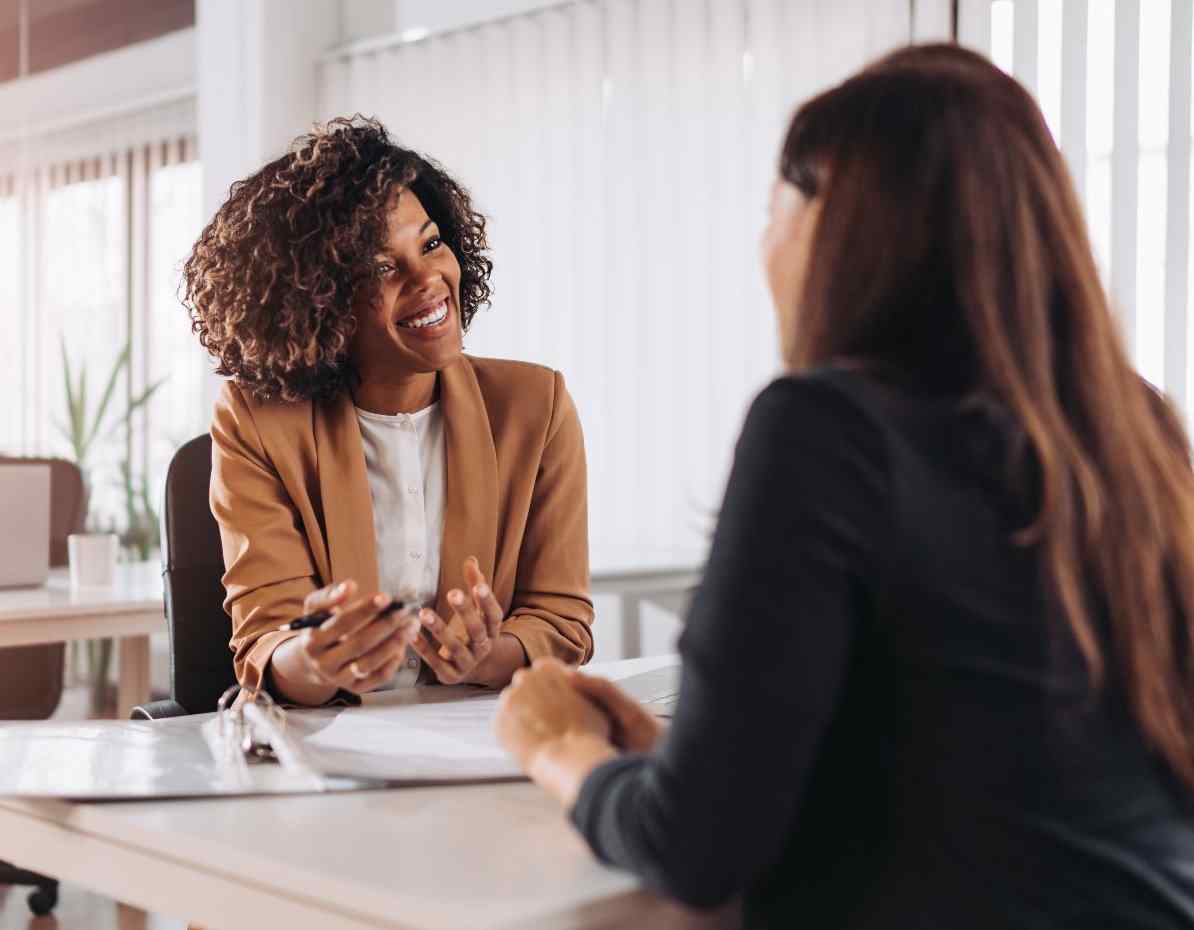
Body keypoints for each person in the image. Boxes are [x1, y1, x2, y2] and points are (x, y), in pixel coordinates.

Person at [495, 44, 1194, 929]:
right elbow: (992, 773)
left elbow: (697, 849)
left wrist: (560, 749)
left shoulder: (826, 427)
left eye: (771, 207)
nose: (763, 245)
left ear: (839, 223)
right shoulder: (1136, 429)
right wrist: (682, 756)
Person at [184, 117, 593, 706]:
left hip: (479, 742)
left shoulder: (536, 405)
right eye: (381, 267)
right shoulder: (257, 421)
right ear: (318, 300)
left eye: (430, 244)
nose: (428, 279)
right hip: (329, 750)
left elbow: (562, 620)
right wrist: (319, 659)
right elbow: (266, 644)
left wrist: (487, 655)